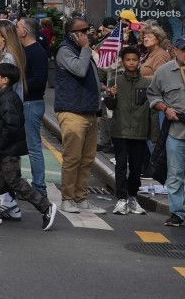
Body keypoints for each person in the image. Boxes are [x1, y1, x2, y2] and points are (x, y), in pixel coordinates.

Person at [0, 62, 58, 230]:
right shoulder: (0, 95)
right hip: (0, 149)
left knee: (14, 182)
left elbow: (11, 127)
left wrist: (0, 144)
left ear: (5, 80)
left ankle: (45, 206)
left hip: (7, 150)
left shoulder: (9, 99)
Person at [55, 16, 105, 214]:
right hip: (72, 112)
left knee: (87, 159)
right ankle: (67, 199)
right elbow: (80, 70)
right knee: (73, 158)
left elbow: (89, 77)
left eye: (88, 30)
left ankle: (81, 197)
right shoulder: (65, 51)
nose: (87, 34)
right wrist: (86, 49)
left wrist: (103, 88)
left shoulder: (83, 50)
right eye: (82, 31)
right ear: (72, 34)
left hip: (89, 111)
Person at [105, 46, 153, 215]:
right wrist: (111, 94)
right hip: (120, 130)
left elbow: (151, 109)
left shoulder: (147, 83)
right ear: (123, 62)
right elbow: (110, 106)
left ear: (139, 61)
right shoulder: (116, 81)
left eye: (134, 60)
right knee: (120, 165)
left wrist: (152, 133)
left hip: (140, 131)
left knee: (136, 167)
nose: (131, 62)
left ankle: (132, 196)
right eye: (128, 60)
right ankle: (121, 198)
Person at [147, 36, 185, 227]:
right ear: (175, 50)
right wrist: (166, 109)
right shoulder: (164, 71)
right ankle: (177, 213)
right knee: (175, 173)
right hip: (176, 130)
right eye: (183, 50)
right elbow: (153, 94)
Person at [17, 17, 50, 197]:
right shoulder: (22, 49)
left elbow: (39, 81)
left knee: (33, 147)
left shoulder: (37, 52)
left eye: (18, 27)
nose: (16, 29)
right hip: (23, 102)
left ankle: (39, 187)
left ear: (25, 31)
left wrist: (17, 86)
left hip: (31, 103)